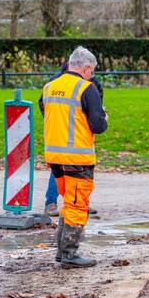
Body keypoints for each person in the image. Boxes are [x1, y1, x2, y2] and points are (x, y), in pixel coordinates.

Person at [39, 46, 108, 268]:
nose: (92, 75)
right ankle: (69, 254)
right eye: (92, 71)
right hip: (77, 157)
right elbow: (98, 125)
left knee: (69, 202)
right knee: (78, 205)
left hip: (54, 156)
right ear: (86, 68)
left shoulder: (49, 87)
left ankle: (61, 252)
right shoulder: (86, 89)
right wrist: (104, 117)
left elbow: (47, 111)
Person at [43, 60, 104, 217]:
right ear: (85, 68)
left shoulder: (53, 83)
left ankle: (76, 203)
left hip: (64, 139)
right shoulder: (86, 84)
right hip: (74, 140)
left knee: (64, 171)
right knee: (78, 173)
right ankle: (57, 203)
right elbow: (97, 117)